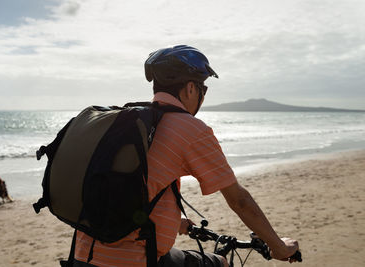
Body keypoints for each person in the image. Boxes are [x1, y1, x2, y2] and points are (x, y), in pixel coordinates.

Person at [72, 45, 299, 267]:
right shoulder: (191, 129)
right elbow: (239, 200)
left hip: (82, 254)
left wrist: (173, 221)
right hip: (135, 260)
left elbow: (124, 185)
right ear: (191, 88)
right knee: (219, 262)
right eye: (204, 88)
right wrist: (279, 247)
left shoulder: (130, 123)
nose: (203, 95)